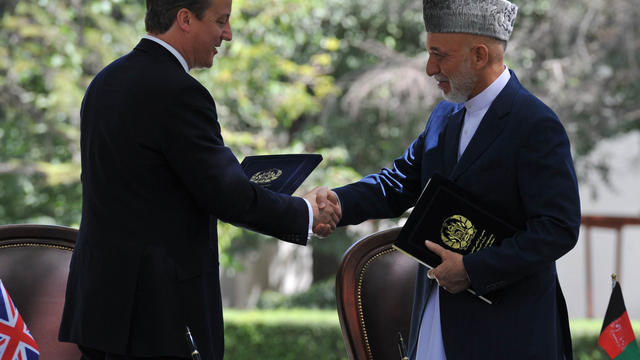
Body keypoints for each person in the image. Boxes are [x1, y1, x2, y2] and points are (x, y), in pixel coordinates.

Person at [58, 0, 340, 359]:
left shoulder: (103, 83)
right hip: (158, 319)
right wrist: (307, 212)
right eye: (221, 21)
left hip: (100, 313)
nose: (228, 34)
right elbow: (228, 195)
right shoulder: (179, 91)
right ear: (185, 19)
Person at [317, 0, 581, 358]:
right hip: (435, 320)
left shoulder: (536, 125)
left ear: (479, 55)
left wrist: (472, 270)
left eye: (439, 55)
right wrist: (338, 203)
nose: (429, 68)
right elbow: (398, 183)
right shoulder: (444, 115)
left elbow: (557, 229)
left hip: (508, 336)